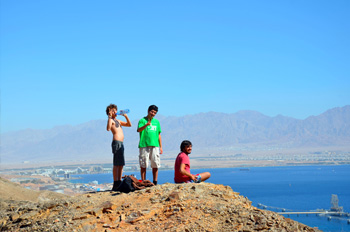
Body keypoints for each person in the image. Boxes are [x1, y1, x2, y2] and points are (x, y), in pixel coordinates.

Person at [106, 104, 132, 191]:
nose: (115, 112)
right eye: (113, 111)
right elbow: (108, 128)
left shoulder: (118, 121)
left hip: (121, 143)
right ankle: (115, 182)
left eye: (115, 110)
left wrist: (126, 116)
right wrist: (109, 117)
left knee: (121, 164)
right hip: (116, 142)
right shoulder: (111, 121)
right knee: (116, 163)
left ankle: (119, 180)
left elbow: (129, 124)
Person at [137, 105, 162, 185]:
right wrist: (146, 125)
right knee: (143, 164)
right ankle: (143, 181)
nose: (153, 114)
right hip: (144, 145)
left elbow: (159, 134)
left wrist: (161, 147)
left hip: (155, 145)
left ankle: (155, 182)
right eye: (152, 112)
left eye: (155, 113)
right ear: (148, 111)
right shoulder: (142, 120)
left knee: (155, 164)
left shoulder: (156, 122)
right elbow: (138, 130)